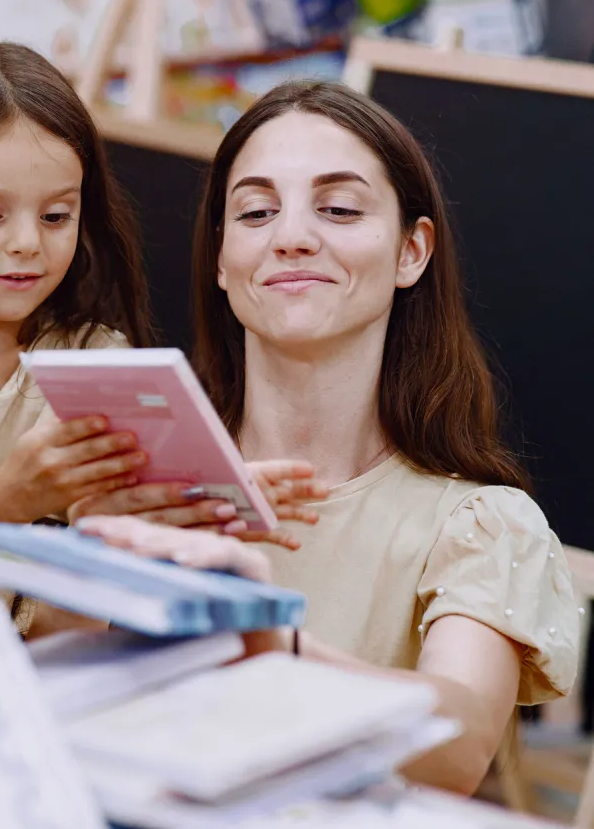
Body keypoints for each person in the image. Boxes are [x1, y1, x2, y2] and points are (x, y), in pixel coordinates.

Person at [0, 41, 318, 634]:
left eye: (56, 216)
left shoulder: (99, 359)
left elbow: (109, 580)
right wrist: (11, 500)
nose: (27, 244)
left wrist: (194, 501)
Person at [179, 80, 578, 794]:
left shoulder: (481, 526)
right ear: (220, 257)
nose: (291, 237)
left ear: (411, 252)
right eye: (256, 211)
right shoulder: (151, 483)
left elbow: (457, 746)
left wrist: (271, 644)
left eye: (338, 208)